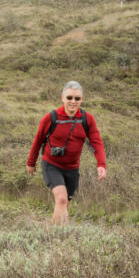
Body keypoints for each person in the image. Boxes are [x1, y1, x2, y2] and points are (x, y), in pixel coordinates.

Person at [26, 80, 106, 226]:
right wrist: (31, 163)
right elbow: (38, 141)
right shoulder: (51, 117)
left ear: (82, 99)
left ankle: (52, 233)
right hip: (51, 165)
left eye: (77, 98)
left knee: (63, 203)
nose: (73, 102)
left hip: (72, 169)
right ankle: (64, 237)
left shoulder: (87, 119)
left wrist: (101, 164)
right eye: (69, 97)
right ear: (62, 97)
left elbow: (96, 142)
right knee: (61, 198)